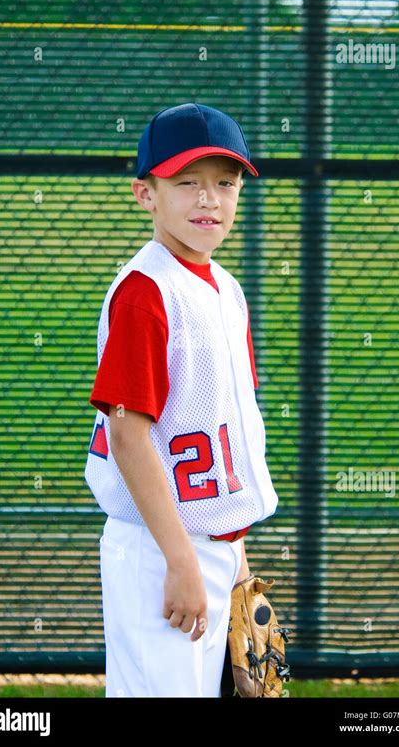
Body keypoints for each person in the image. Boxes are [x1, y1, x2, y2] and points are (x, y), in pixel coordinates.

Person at [84, 102, 279, 697]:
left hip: (211, 547)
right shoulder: (147, 294)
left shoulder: (226, 290)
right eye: (186, 182)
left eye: (225, 183)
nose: (208, 200)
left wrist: (238, 563)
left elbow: (226, 438)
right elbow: (127, 434)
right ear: (147, 194)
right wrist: (181, 562)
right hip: (157, 549)